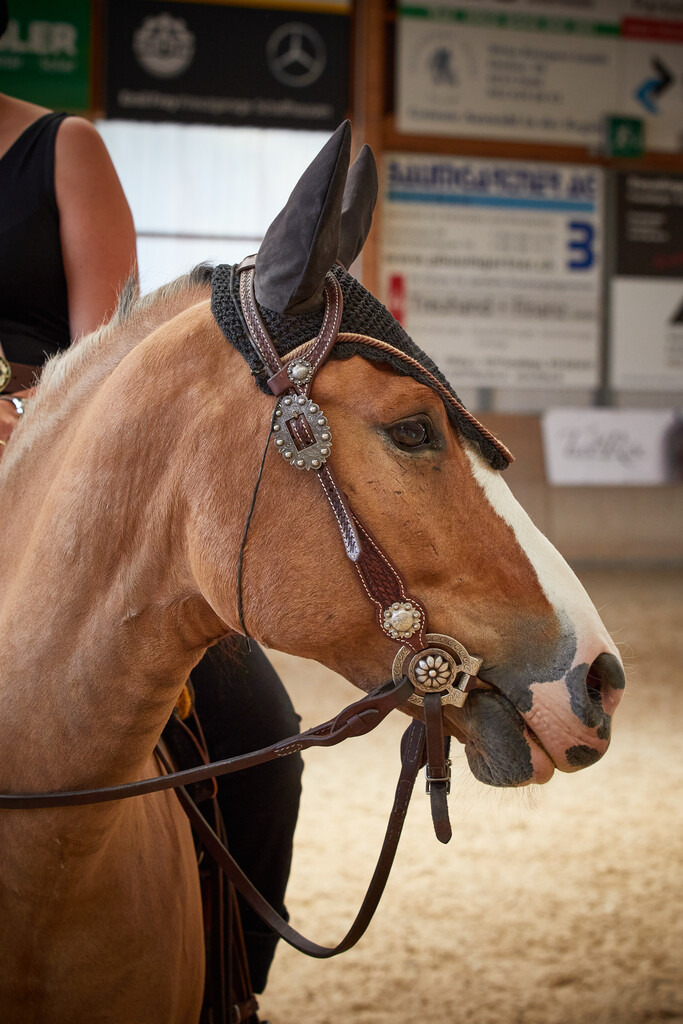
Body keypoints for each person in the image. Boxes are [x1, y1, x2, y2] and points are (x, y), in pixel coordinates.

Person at [0, 1, 301, 995]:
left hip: (50, 483)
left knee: (258, 737)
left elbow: (110, 356)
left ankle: (231, 993)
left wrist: (28, 415)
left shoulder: (62, 149)